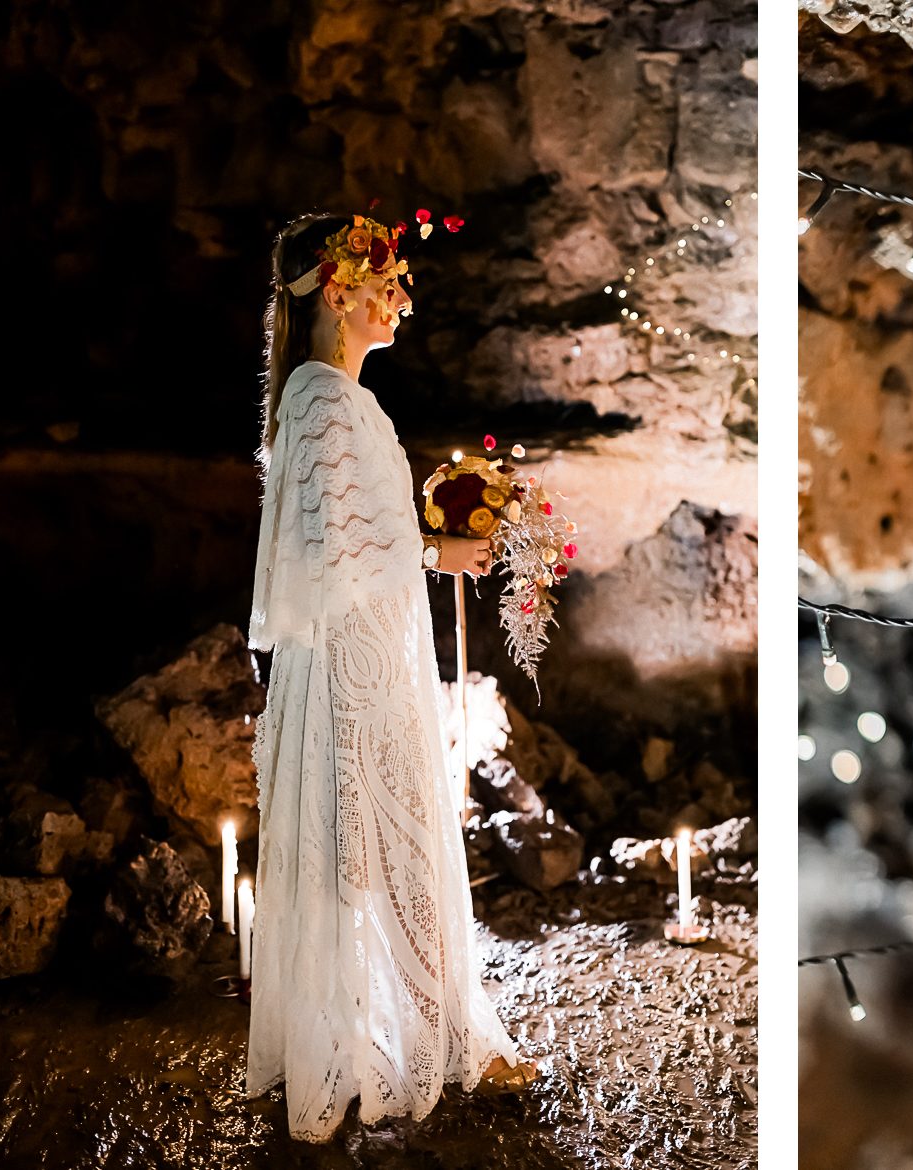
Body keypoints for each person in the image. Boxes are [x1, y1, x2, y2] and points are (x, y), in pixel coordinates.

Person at [245, 210, 540, 1143]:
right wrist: (434, 549)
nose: (401, 297)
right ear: (340, 290)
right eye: (388, 281)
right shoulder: (324, 400)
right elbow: (337, 548)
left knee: (384, 848)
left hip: (370, 654)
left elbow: (357, 534)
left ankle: (428, 1030)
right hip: (354, 669)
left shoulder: (340, 400)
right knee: (379, 848)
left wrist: (434, 545)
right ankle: (418, 1039)